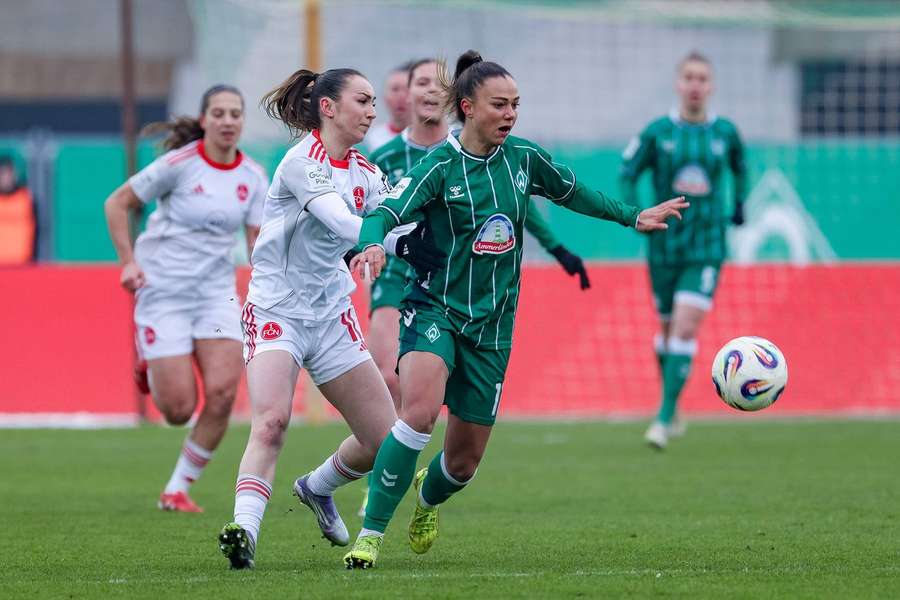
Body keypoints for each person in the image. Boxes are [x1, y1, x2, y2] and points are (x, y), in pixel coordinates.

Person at [344, 50, 688, 569]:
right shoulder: (440, 164)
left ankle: (427, 497)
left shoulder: (524, 159)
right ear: (468, 106)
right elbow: (386, 211)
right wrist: (369, 244)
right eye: (499, 105)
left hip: (494, 325)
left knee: (461, 464)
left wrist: (632, 216)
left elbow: (576, 194)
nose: (510, 114)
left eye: (516, 105)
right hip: (435, 308)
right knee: (416, 413)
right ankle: (369, 536)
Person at [216, 67, 445, 570]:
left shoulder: (365, 171)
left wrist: (426, 241)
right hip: (277, 310)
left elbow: (390, 226)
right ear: (328, 106)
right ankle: (244, 531)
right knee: (272, 421)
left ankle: (317, 488)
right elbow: (343, 222)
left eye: (371, 103)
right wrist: (383, 240)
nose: (372, 111)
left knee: (387, 445)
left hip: (332, 316)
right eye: (362, 101)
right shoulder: (303, 162)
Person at [356, 57, 590, 517]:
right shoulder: (383, 158)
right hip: (402, 280)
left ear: (448, 100)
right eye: (416, 82)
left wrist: (558, 249)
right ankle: (379, 492)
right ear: (400, 95)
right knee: (397, 385)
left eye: (432, 83)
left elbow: (515, 207)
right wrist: (377, 244)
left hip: (476, 292)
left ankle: (379, 478)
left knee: (458, 455)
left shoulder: (492, 154)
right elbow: (365, 213)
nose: (425, 91)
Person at [103, 85, 268, 513]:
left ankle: (176, 490)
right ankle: (149, 361)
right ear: (203, 120)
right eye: (219, 113)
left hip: (215, 293)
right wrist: (128, 262)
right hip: (164, 291)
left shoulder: (252, 177)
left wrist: (269, 287)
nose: (228, 121)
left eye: (235, 113)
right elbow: (117, 203)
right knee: (177, 410)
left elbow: (257, 244)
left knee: (222, 395)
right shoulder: (178, 164)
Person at [619, 51, 747, 450]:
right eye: (689, 77)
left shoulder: (725, 132)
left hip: (707, 245)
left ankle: (661, 418)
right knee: (669, 331)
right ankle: (672, 407)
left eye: (702, 79)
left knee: (686, 327)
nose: (695, 85)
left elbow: (742, 168)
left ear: (711, 87)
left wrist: (739, 204)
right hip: (664, 246)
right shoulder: (658, 131)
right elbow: (627, 173)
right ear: (679, 84)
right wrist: (636, 213)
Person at [363, 62, 412, 152]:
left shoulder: (432, 140)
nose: (401, 97)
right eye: (395, 89)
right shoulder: (369, 140)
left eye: (407, 89)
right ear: (384, 97)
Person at [0, 156, 36, 265]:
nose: (6, 178)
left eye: (9, 174)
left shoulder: (25, 199)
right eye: (2, 174)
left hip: (21, 265)